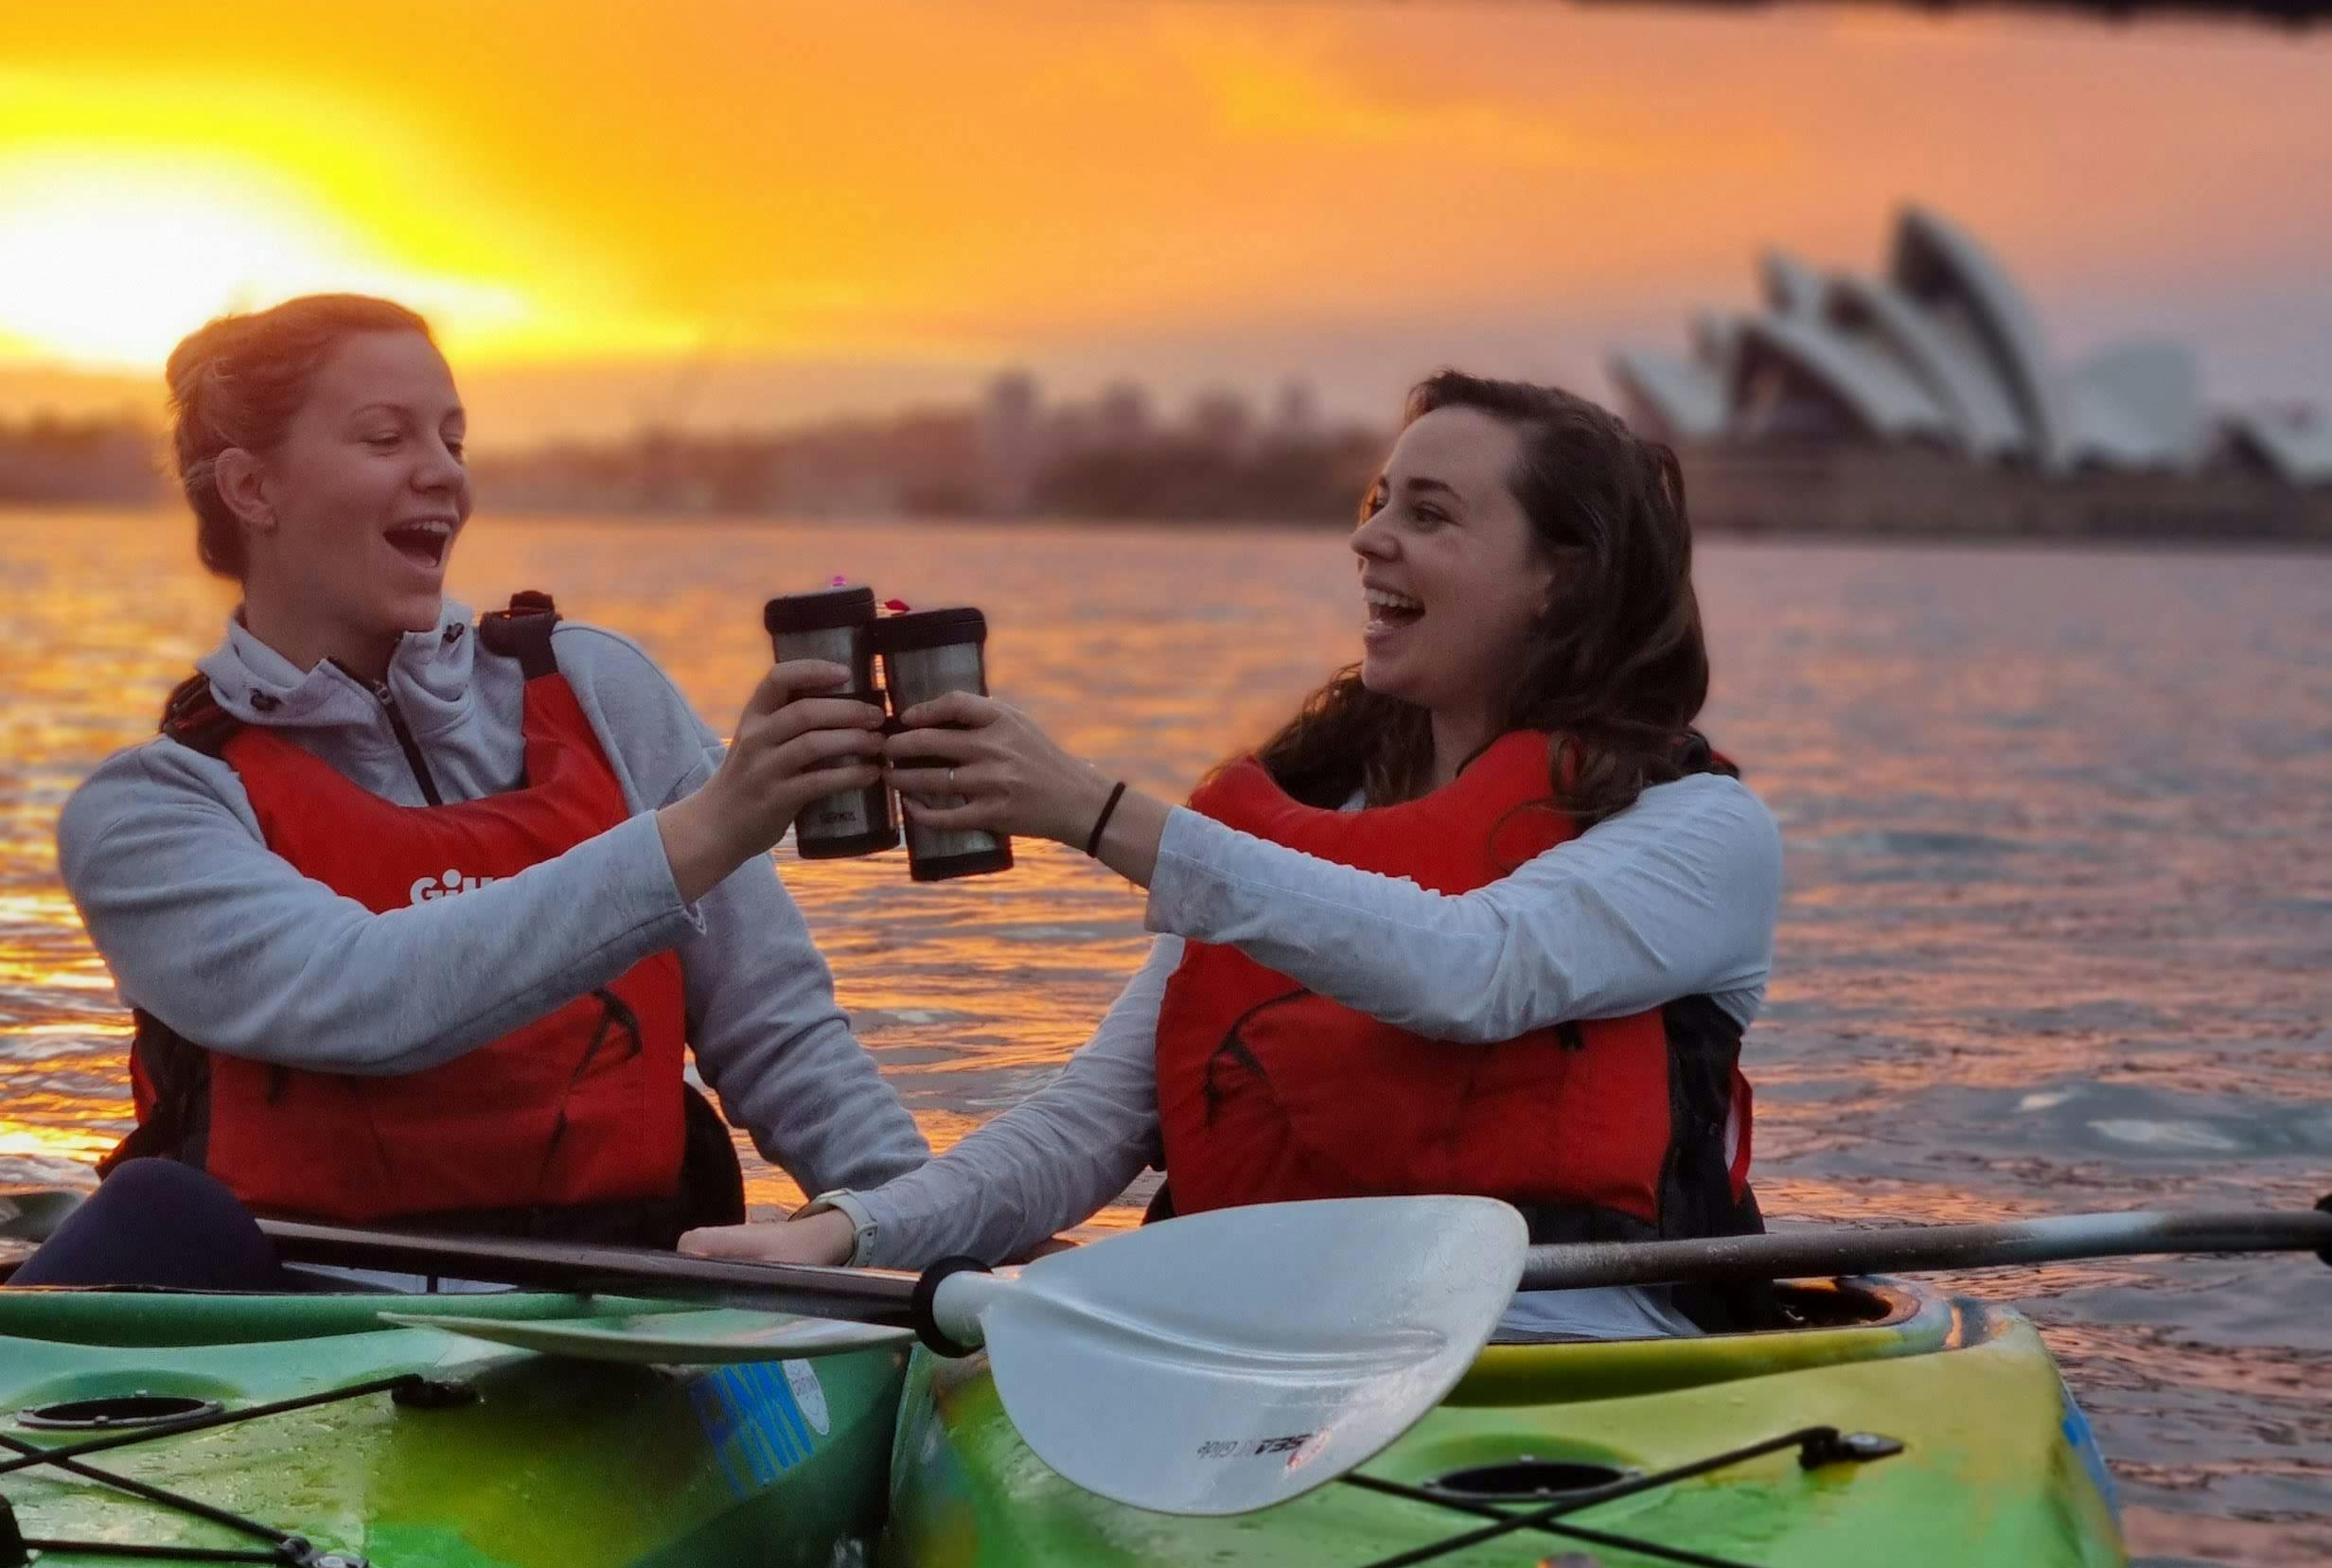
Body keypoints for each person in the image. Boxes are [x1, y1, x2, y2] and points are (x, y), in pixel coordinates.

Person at [684, 374, 1782, 1324]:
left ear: (1562, 580)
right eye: (1377, 502)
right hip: (1271, 1360)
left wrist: (1093, 812)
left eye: (1430, 515)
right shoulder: (1295, 825)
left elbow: (1472, 969)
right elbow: (1086, 1130)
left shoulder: (1699, 832)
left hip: (1574, 1357)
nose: (1368, 540)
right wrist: (847, 1230)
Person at [39, 292, 928, 1291]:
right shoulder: (152, 810)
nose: (443, 474)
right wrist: (707, 830)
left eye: (452, 440)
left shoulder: (601, 690)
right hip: (303, 1323)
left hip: (621, 1296)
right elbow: (367, 997)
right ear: (252, 487)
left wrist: (926, 1231)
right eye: (386, 438)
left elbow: (782, 1037)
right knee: (154, 1212)